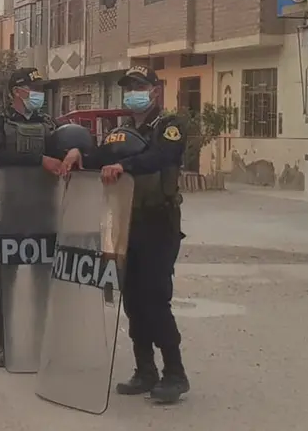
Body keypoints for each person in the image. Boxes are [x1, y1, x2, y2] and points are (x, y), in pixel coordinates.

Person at [60, 65, 189, 404]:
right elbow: (102, 156)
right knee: (131, 298)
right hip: (124, 223)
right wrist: (80, 155)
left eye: (140, 86)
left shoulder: (169, 127)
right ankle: (144, 370)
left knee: (155, 298)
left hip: (158, 224)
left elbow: (160, 157)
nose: (134, 92)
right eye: (129, 87)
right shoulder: (122, 131)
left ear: (156, 91)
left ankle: (175, 373)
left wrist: (123, 166)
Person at [0, 67, 60, 368]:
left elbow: (65, 154)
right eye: (32, 87)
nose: (37, 93)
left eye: (39, 88)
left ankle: (39, 340)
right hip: (11, 215)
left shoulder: (49, 125)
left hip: (44, 213)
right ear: (16, 91)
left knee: (43, 281)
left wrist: (76, 151)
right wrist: (40, 160)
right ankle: (5, 343)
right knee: (5, 283)